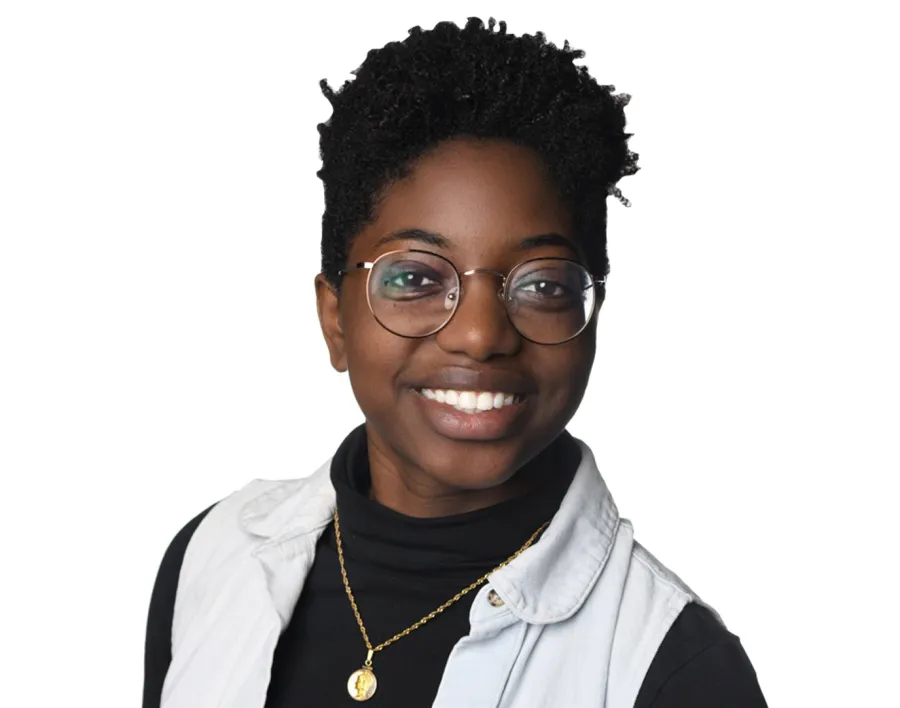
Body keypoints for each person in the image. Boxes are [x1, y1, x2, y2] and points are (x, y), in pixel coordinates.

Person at [143, 16, 768, 708]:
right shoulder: (212, 558)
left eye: (542, 284)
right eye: (414, 278)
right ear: (335, 320)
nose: (478, 335)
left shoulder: (674, 669)